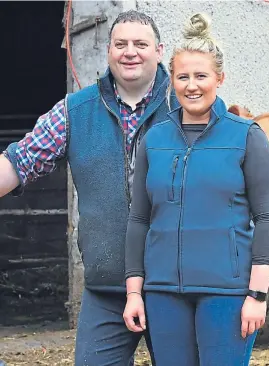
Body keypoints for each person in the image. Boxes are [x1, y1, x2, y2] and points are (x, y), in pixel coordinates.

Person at [0, 10, 178, 365]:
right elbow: (20, 161)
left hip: (175, 287)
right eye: (121, 43)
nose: (130, 52)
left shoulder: (185, 105)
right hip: (108, 288)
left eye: (140, 44)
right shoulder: (75, 111)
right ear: (108, 50)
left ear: (159, 50)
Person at [122, 12, 269, 366]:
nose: (191, 85)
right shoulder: (154, 140)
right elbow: (138, 220)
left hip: (226, 293)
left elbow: (268, 218)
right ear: (172, 82)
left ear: (219, 79)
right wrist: (135, 292)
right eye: (182, 76)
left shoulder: (247, 136)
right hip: (162, 293)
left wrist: (257, 293)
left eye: (201, 76)